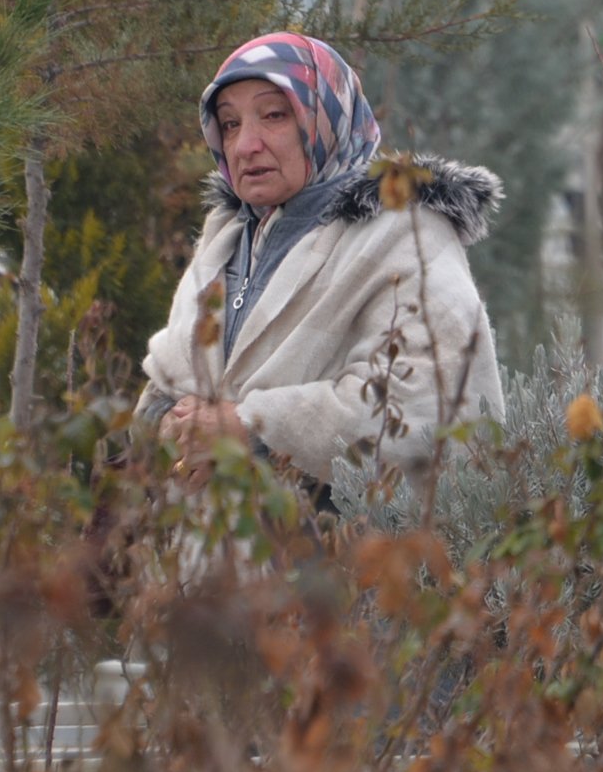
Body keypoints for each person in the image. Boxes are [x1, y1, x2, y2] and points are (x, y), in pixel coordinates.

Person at [142, 32, 505, 484]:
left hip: (338, 548)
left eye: (273, 114)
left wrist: (247, 430)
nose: (244, 145)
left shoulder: (404, 235)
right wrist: (168, 430)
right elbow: (168, 381)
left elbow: (432, 411)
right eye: (230, 123)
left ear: (325, 120)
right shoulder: (226, 237)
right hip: (204, 547)